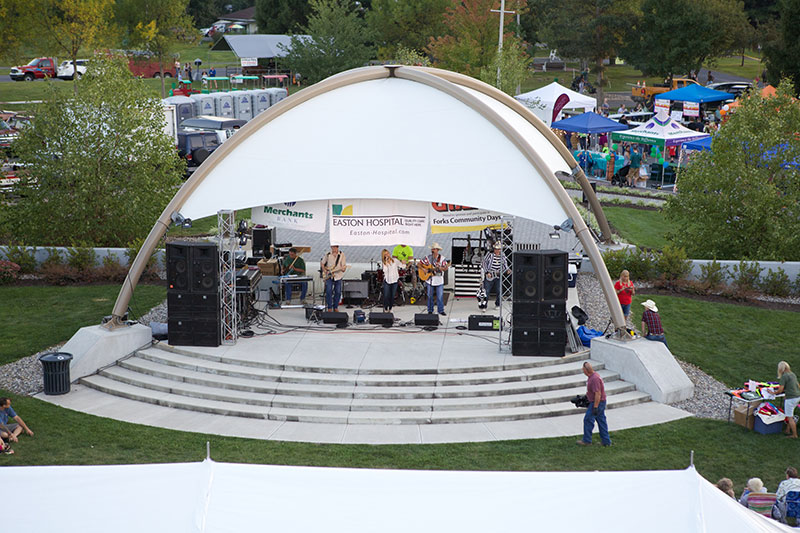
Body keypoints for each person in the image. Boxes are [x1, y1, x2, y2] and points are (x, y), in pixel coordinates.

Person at [577, 362, 611, 446]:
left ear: (586, 370)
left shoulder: (594, 379)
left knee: (588, 420)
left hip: (598, 402)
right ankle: (606, 441)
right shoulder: (592, 377)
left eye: (583, 369)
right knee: (601, 420)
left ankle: (587, 440)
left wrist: (595, 407)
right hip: (599, 402)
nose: (582, 370)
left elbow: (598, 394)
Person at [419, 242, 449, 316]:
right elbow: (419, 264)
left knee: (440, 296)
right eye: (432, 248)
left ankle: (441, 310)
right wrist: (423, 269)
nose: (433, 250)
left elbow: (445, 268)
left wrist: (442, 268)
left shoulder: (442, 258)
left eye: (434, 249)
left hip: (439, 280)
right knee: (430, 296)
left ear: (437, 250)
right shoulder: (427, 258)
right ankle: (430, 310)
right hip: (430, 280)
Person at [481, 242, 510, 309]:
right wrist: (487, 272)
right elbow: (484, 262)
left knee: (499, 290)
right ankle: (484, 305)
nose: (497, 251)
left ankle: (498, 304)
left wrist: (507, 269)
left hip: (498, 274)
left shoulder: (502, 255)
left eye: (499, 249)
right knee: (487, 291)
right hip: (490, 274)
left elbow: (504, 263)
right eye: (496, 249)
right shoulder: (489, 254)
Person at [774, 361, 800, 438]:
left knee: (790, 417)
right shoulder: (792, 374)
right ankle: (787, 430)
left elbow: (780, 390)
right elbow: (797, 385)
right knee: (790, 414)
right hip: (797, 397)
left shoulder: (784, 376)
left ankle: (794, 435)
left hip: (791, 399)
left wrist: (773, 393)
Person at [321, 245, 346, 312]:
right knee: (328, 291)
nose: (333, 248)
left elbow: (343, 267)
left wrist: (343, 269)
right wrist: (325, 271)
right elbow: (322, 263)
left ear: (337, 247)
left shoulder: (341, 254)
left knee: (338, 292)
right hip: (329, 276)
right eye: (332, 247)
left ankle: (335, 306)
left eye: (335, 247)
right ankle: (329, 306)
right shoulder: (328, 254)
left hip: (338, 276)